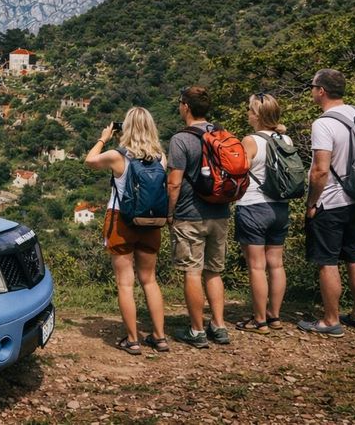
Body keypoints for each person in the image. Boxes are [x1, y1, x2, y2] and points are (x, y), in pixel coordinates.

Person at [85, 107, 169, 355]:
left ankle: (133, 340)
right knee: (150, 280)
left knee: (125, 283)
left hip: (122, 221)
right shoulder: (161, 157)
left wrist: (103, 137)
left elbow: (89, 160)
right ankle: (159, 337)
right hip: (151, 223)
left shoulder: (117, 156)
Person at [298, 69, 355, 336]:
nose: (311, 91)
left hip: (331, 200)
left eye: (313, 87)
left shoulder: (323, 123)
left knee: (327, 261)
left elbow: (320, 169)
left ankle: (331, 320)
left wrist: (311, 202)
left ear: (321, 91)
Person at [166, 85, 231, 348]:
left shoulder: (180, 140)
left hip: (190, 214)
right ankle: (219, 325)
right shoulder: (221, 134)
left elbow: (174, 183)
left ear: (186, 107)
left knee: (192, 272)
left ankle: (197, 330)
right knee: (214, 272)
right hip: (220, 212)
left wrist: (169, 213)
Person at [234, 94, 291, 333]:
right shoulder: (285, 138)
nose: (247, 113)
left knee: (257, 266)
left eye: (250, 109)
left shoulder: (250, 140)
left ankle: (259, 320)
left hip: (253, 206)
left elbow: (238, 172)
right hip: (280, 206)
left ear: (257, 115)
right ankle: (274, 316)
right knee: (276, 265)